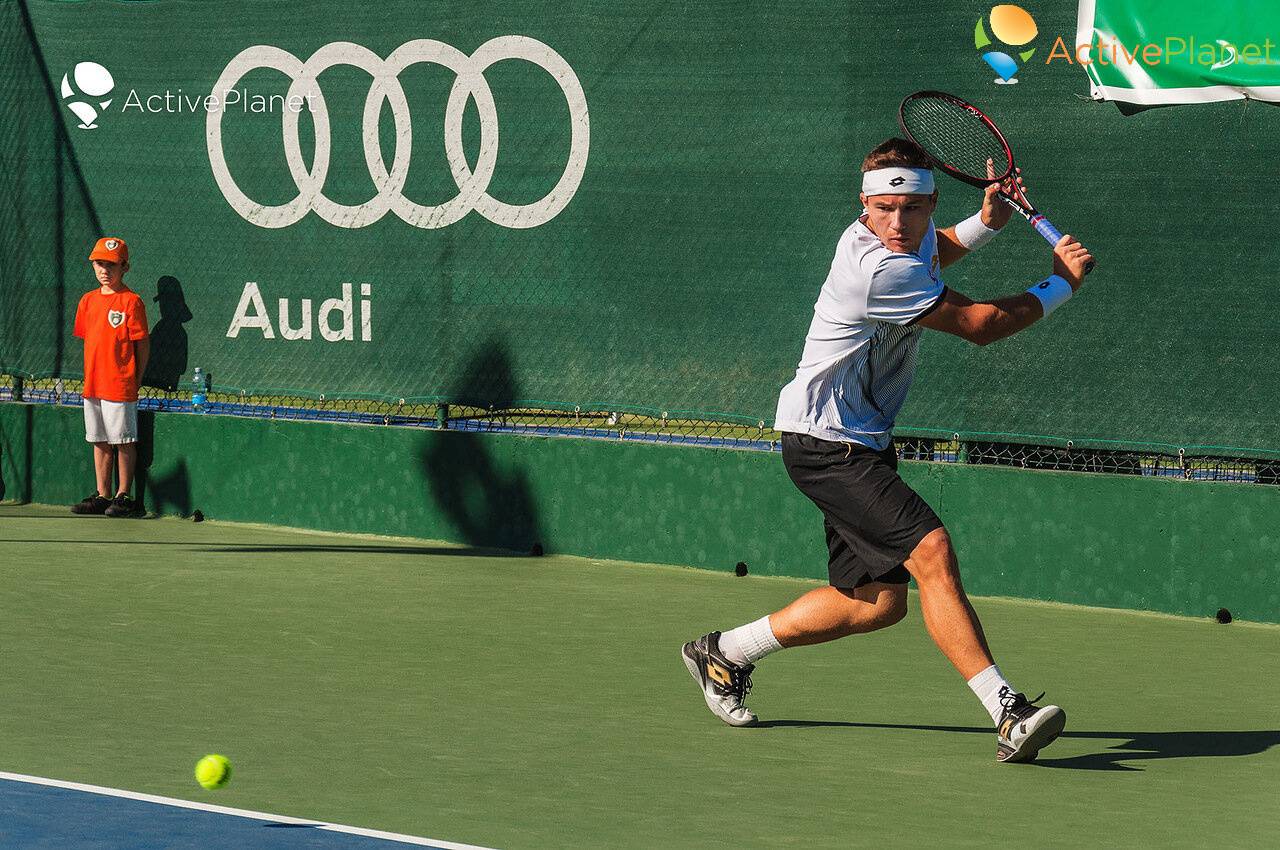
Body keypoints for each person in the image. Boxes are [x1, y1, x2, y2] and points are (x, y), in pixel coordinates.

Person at [681, 138, 1094, 764]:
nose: (899, 223)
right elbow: (980, 325)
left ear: (928, 203)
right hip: (827, 443)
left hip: (860, 441)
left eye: (914, 209)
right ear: (863, 207)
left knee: (874, 604)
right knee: (932, 551)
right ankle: (1008, 712)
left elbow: (938, 250)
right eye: (884, 209)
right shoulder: (875, 266)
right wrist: (1059, 284)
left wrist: (988, 222)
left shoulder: (910, 241)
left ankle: (725, 652)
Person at [70, 237, 150, 518]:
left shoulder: (132, 302)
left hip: (120, 383)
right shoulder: (87, 301)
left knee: (124, 440)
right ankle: (103, 494)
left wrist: (135, 378)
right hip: (93, 384)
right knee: (99, 439)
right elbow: (89, 340)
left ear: (125, 267)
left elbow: (142, 344)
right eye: (100, 263)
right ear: (93, 265)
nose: (105, 269)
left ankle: (124, 495)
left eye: (112, 265)